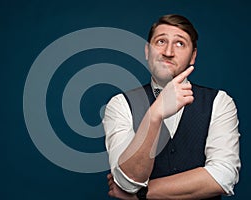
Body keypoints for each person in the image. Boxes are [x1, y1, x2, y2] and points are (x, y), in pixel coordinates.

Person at [102, 14, 240, 200]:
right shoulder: (120, 104)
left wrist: (141, 194)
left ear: (193, 56)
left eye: (180, 43)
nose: (168, 51)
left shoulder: (219, 102)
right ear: (147, 51)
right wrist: (154, 115)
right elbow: (127, 181)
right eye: (160, 41)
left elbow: (223, 176)